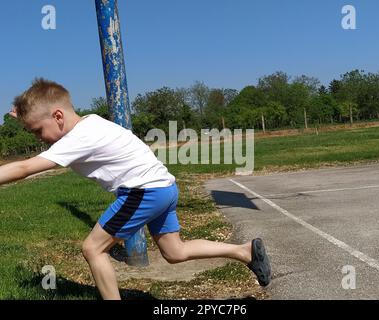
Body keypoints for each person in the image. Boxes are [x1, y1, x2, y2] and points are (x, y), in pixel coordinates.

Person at [0, 78, 271, 300]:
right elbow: (39, 113)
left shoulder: (77, 139)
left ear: (58, 116)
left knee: (93, 249)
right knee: (175, 252)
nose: (38, 138)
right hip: (163, 187)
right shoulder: (91, 122)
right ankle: (244, 251)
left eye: (37, 131)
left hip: (143, 192)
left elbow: (24, 168)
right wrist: (24, 114)